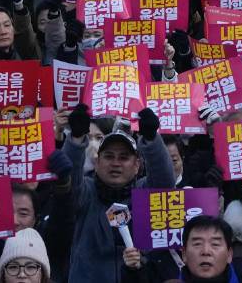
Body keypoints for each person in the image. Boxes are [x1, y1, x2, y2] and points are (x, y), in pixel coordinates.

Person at [60, 106, 175, 283]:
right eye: (109, 156)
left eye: (123, 157)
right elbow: (70, 179)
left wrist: (152, 139)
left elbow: (164, 183)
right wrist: (75, 139)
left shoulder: (144, 193)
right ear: (97, 163)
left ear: (137, 165)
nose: (115, 163)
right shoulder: (85, 193)